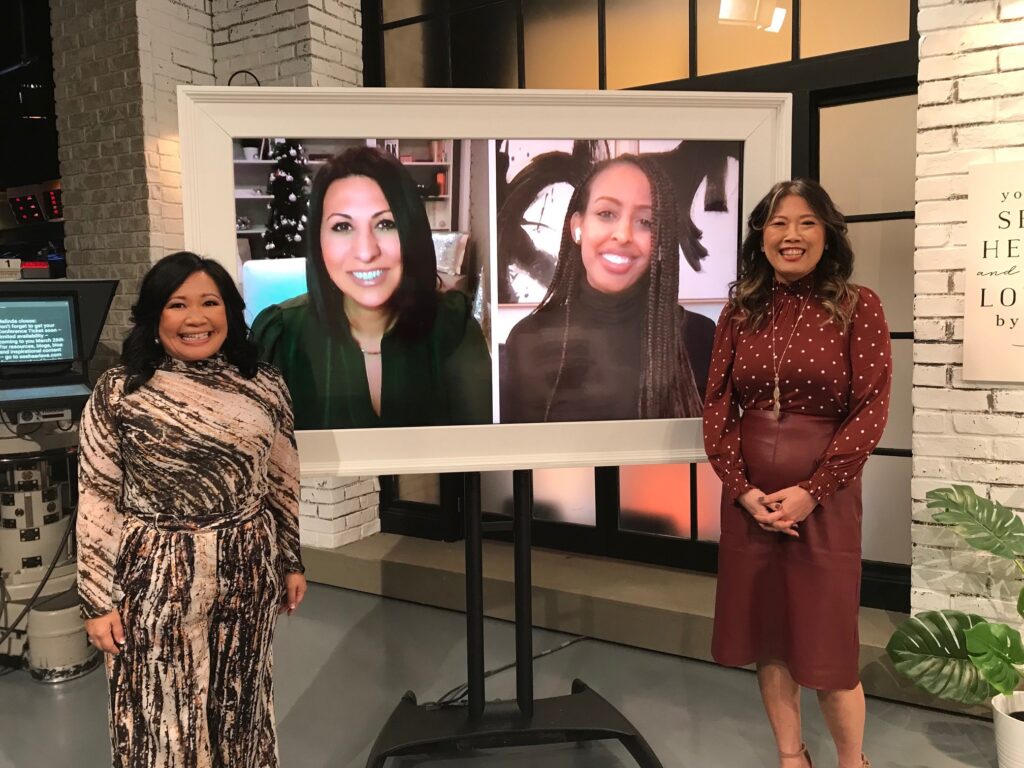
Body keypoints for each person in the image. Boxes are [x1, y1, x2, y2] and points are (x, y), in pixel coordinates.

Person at [77, 251, 307, 768]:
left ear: (231, 312)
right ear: (155, 316)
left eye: (211, 302)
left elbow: (282, 478)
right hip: (153, 572)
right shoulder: (118, 392)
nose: (196, 318)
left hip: (246, 563)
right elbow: (96, 497)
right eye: (178, 304)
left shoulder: (264, 384)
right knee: (156, 713)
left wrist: (290, 559)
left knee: (240, 703)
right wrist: (96, 601)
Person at [703, 179, 891, 768]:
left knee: (829, 645)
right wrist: (742, 491)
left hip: (825, 500)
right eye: (778, 223)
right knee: (770, 638)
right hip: (752, 501)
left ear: (827, 234)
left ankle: (852, 762)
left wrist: (813, 492)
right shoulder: (738, 310)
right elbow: (717, 405)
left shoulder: (860, 305)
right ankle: (792, 757)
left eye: (806, 223)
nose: (791, 235)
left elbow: (871, 408)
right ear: (760, 236)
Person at [252, 146, 492, 429]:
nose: (366, 252)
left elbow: (483, 460)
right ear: (318, 241)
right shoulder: (281, 337)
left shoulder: (453, 327)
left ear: (411, 230)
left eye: (386, 224)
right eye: (342, 227)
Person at [500, 154, 715, 423]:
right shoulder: (528, 340)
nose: (623, 235)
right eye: (606, 214)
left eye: (646, 222)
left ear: (661, 242)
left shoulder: (699, 337)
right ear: (578, 227)